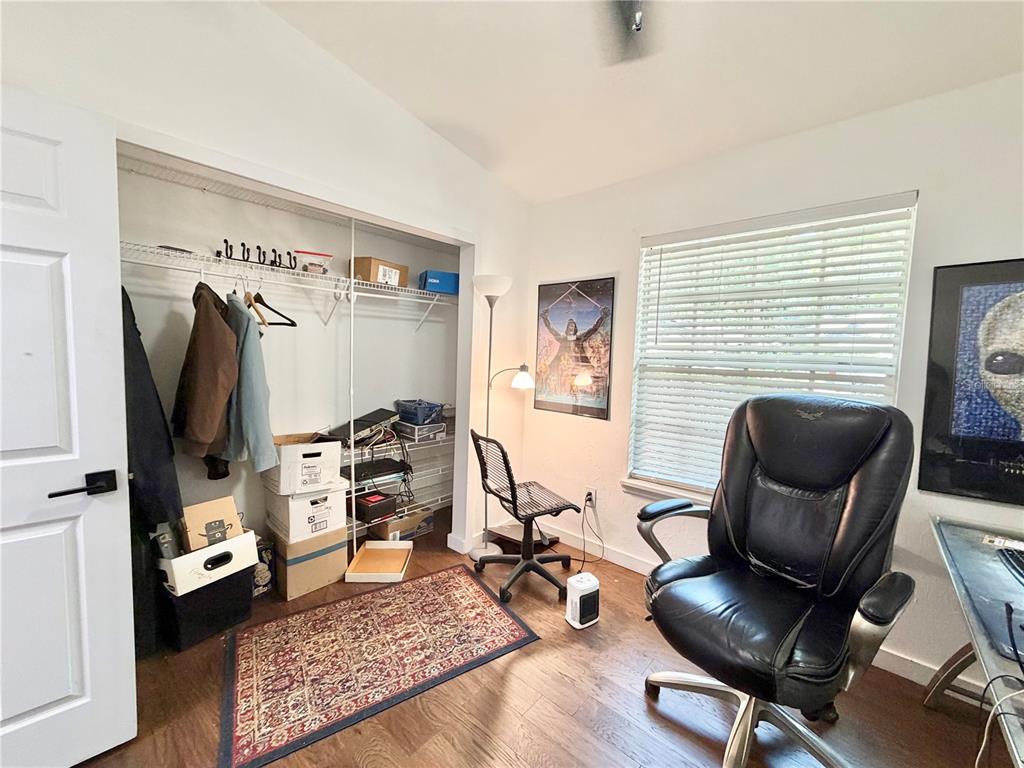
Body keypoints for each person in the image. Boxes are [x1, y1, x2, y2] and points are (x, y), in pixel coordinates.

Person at [540, 306, 610, 394]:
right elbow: (551, 329)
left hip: (577, 368)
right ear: (567, 328)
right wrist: (545, 318)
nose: (571, 328)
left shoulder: (580, 338)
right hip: (564, 367)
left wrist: (603, 317)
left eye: (572, 326)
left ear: (575, 328)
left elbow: (593, 329)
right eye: (569, 326)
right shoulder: (563, 339)